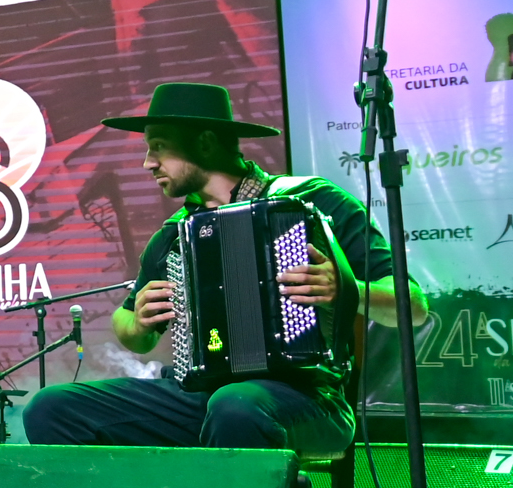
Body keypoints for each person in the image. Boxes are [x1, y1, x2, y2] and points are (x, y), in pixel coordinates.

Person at [24, 83, 427, 455]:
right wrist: (140, 321)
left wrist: (346, 289)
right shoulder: (175, 234)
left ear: (205, 142)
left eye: (158, 146)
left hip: (306, 398)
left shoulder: (313, 201)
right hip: (200, 397)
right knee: (52, 408)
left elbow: (414, 306)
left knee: (235, 405)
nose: (148, 163)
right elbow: (129, 328)